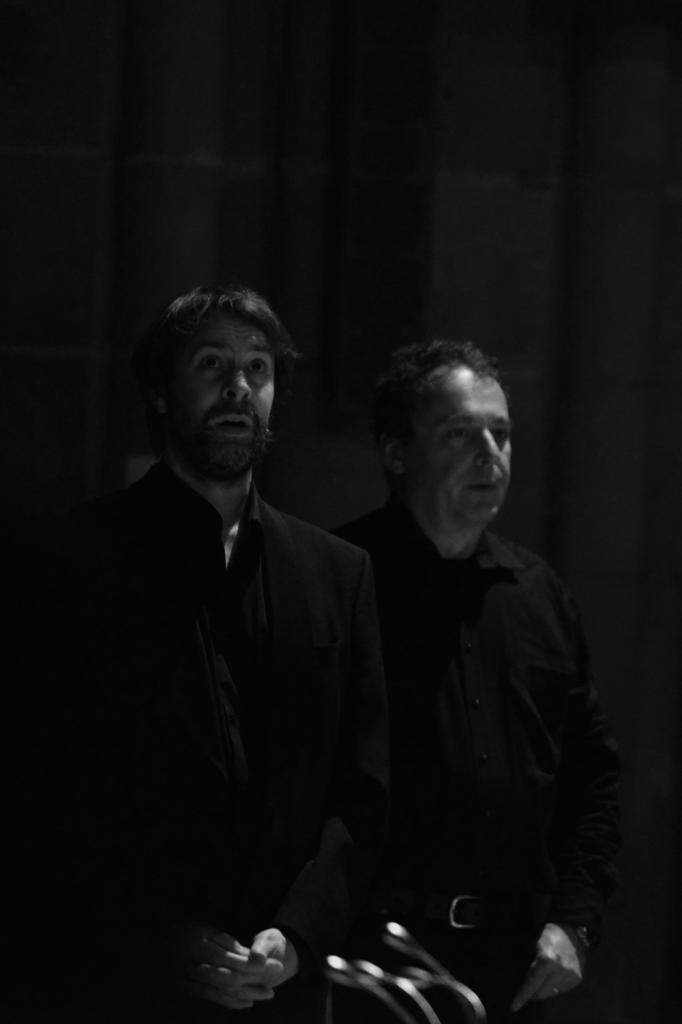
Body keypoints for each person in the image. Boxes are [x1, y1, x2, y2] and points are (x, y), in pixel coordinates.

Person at [34, 285, 388, 1023]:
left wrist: (298, 935)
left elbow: (363, 789)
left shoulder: (336, 572)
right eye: (212, 364)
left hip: (282, 988)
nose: (239, 387)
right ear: (161, 392)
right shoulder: (81, 555)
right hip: (122, 984)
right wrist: (159, 935)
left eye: (258, 368)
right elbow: (47, 782)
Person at [334, 339, 620, 1023]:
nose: (490, 454)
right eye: (460, 434)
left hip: (511, 966)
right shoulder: (338, 580)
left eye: (501, 433)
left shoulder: (538, 593)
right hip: (373, 957)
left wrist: (574, 922)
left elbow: (592, 777)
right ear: (395, 453)